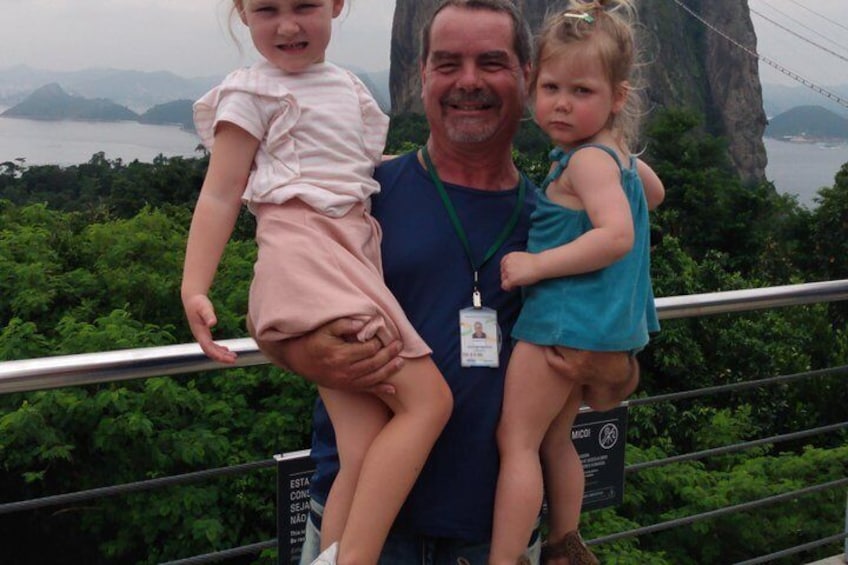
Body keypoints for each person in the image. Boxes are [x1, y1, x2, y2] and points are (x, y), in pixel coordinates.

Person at [252, 1, 580, 563]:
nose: (468, 81)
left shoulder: (560, 220)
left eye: (491, 62)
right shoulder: (363, 194)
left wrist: (612, 369)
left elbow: (615, 363)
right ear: (421, 73)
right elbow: (275, 305)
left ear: (526, 76)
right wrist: (304, 352)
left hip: (492, 532)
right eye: (448, 63)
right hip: (358, 526)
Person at [180, 1, 454, 564]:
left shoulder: (348, 88)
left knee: (363, 445)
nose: (287, 25)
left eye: (305, 5)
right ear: (243, 15)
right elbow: (221, 191)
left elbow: (361, 168)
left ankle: (332, 554)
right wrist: (194, 286)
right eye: (266, 10)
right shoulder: (251, 91)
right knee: (429, 403)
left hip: (347, 257)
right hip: (307, 259)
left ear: (336, 5)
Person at [489, 1, 665, 564]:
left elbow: (616, 237)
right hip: (600, 331)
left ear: (616, 98)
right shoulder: (613, 156)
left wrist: (536, 266)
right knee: (554, 440)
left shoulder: (585, 162)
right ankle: (565, 542)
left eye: (582, 92)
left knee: (515, 444)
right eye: (551, 87)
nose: (562, 103)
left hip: (558, 324)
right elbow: (653, 196)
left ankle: (504, 558)